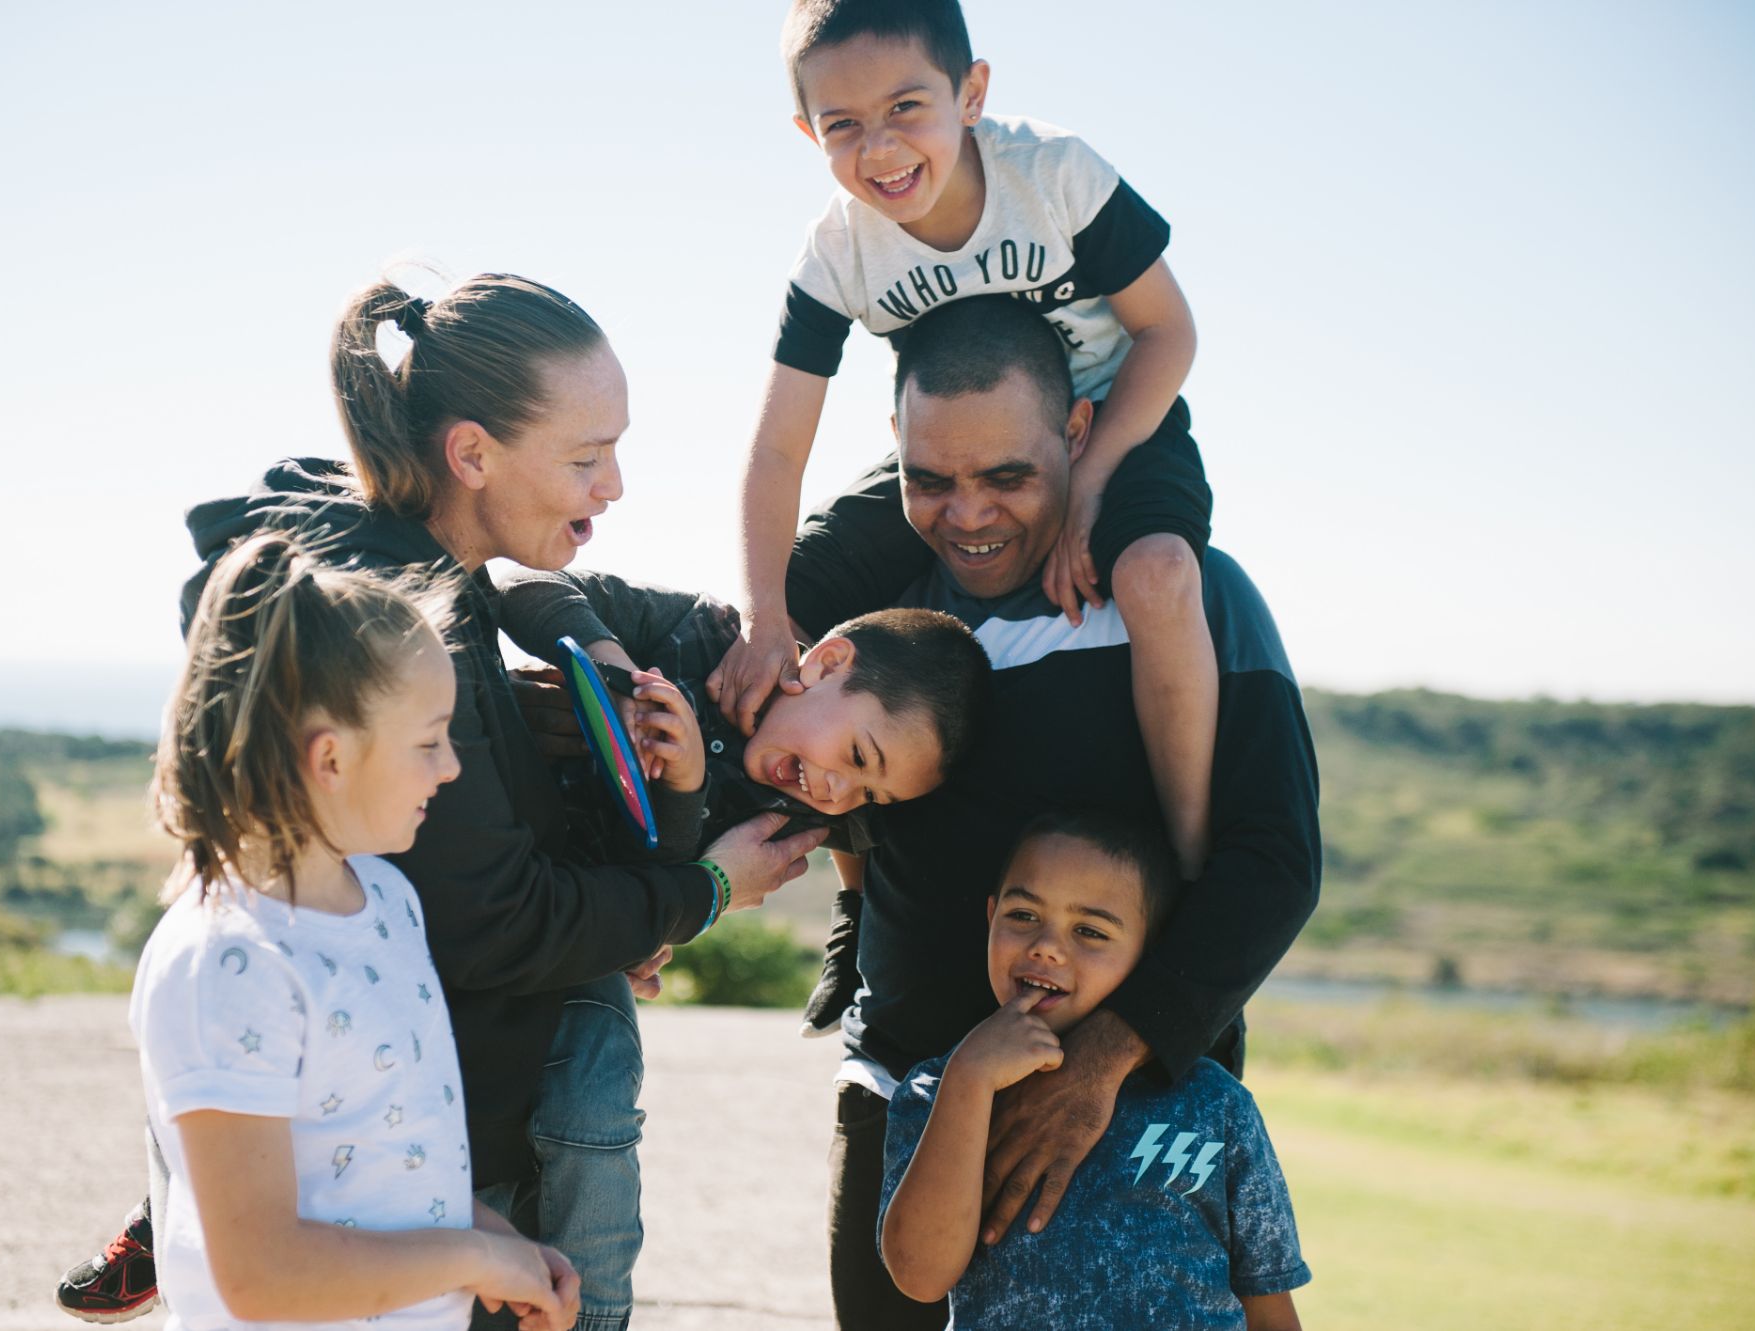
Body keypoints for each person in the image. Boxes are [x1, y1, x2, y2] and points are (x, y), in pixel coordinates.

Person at [56, 273, 826, 1331]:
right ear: (471, 454)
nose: (614, 485)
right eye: (586, 455)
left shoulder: (411, 573)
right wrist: (698, 889)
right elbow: (495, 919)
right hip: (435, 1168)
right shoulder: (404, 615)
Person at [781, 295, 1321, 1330]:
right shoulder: (876, 615)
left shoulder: (1190, 600)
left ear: (1076, 435)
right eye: (929, 480)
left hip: (1138, 1104)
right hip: (902, 1091)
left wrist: (1106, 1056)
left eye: (1007, 477)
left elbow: (1273, 860)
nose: (966, 514)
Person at [715, 0, 1219, 887]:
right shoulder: (837, 254)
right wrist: (762, 617)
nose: (880, 149)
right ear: (809, 133)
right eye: (844, 126)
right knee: (787, 601)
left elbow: (1169, 333)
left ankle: (1188, 848)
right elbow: (775, 454)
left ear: (971, 93)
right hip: (953, 450)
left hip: (1112, 418)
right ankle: (855, 884)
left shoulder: (1055, 177)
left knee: (1156, 576)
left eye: (907, 108)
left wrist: (1091, 486)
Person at [127, 528, 580, 1330]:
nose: (450, 768)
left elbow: (381, 1156)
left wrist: (497, 1239)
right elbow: (262, 1276)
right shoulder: (224, 961)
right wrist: (474, 1260)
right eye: (429, 741)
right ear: (329, 758)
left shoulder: (388, 898)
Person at [878, 810, 1309, 1329]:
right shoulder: (938, 1089)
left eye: (1089, 930)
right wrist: (969, 1079)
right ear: (990, 916)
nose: (1046, 946)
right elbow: (920, 1276)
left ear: (1151, 954)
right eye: (1022, 916)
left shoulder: (1214, 1104)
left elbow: (1268, 1304)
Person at [497, 567, 992, 857]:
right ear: (826, 665)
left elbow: (662, 881)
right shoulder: (700, 632)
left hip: (541, 894)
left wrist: (683, 786)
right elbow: (523, 585)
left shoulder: (783, 824)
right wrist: (622, 683)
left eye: (870, 796)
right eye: (859, 758)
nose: (837, 792)